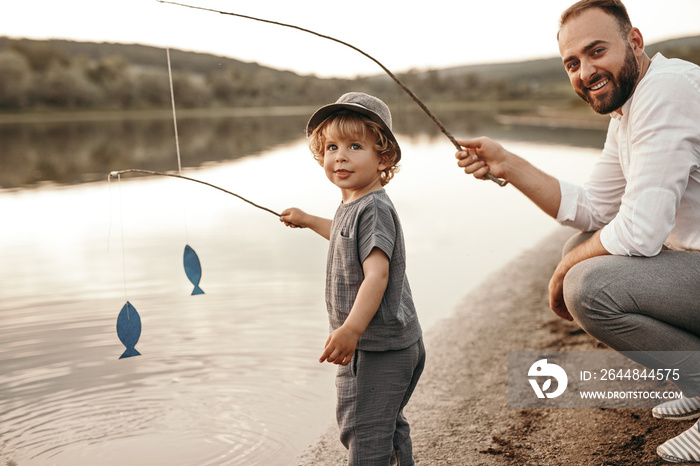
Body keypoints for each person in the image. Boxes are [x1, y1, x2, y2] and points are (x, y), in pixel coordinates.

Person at [455, 0, 700, 462]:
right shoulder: (629, 107)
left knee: (587, 283)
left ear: (635, 42)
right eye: (572, 62)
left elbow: (641, 233)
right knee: (580, 250)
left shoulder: (666, 92)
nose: (585, 71)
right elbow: (594, 208)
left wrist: (561, 273)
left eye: (596, 51)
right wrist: (507, 163)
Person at [280, 92, 425, 465]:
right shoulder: (355, 202)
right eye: (331, 146)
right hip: (392, 342)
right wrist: (309, 220)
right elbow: (346, 235)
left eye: (355, 145)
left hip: (376, 348)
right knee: (385, 426)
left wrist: (351, 330)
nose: (340, 156)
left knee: (363, 432)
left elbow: (377, 275)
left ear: (384, 156)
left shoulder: (373, 207)